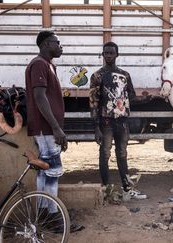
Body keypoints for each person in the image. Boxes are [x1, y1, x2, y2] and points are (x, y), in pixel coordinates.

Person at [25, 30, 82, 232]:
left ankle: (45, 215)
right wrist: (56, 128)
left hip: (48, 128)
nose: (60, 46)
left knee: (45, 173)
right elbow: (40, 97)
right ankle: (54, 219)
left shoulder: (48, 65)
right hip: (46, 128)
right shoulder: (39, 64)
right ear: (46, 44)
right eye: (57, 43)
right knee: (53, 172)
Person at [89, 41, 149, 200]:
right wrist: (96, 127)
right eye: (106, 53)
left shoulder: (125, 75)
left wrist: (145, 99)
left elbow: (131, 97)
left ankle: (127, 190)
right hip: (106, 122)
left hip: (122, 122)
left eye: (111, 53)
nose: (108, 56)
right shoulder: (97, 76)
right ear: (103, 55)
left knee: (122, 154)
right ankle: (107, 190)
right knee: (105, 154)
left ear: (117, 55)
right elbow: (93, 102)